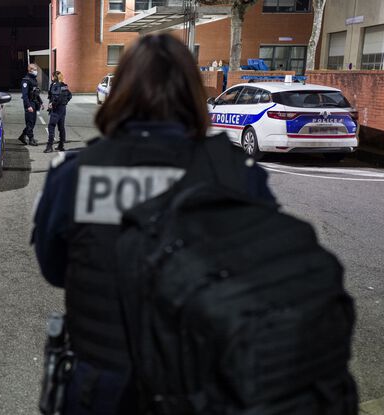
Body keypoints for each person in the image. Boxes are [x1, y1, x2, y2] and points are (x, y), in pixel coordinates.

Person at [32, 34, 274, 414]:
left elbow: (55, 269)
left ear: (121, 92)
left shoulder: (76, 174)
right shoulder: (237, 174)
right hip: (203, 382)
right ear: (193, 95)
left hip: (102, 384)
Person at [44, 71, 73, 153]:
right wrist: (65, 102)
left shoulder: (55, 85)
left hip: (56, 109)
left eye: (52, 76)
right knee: (61, 127)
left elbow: (56, 96)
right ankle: (61, 145)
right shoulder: (64, 86)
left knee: (51, 126)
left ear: (54, 77)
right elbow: (70, 95)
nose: (51, 78)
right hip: (63, 109)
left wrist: (52, 104)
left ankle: (49, 146)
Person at [18, 64, 44, 146]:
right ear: (30, 70)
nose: (36, 71)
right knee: (30, 122)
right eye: (35, 69)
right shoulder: (25, 80)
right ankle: (31, 139)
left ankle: (23, 136)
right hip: (29, 103)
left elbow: (36, 93)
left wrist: (41, 102)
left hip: (34, 103)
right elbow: (25, 95)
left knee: (32, 122)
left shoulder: (33, 79)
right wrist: (28, 106)